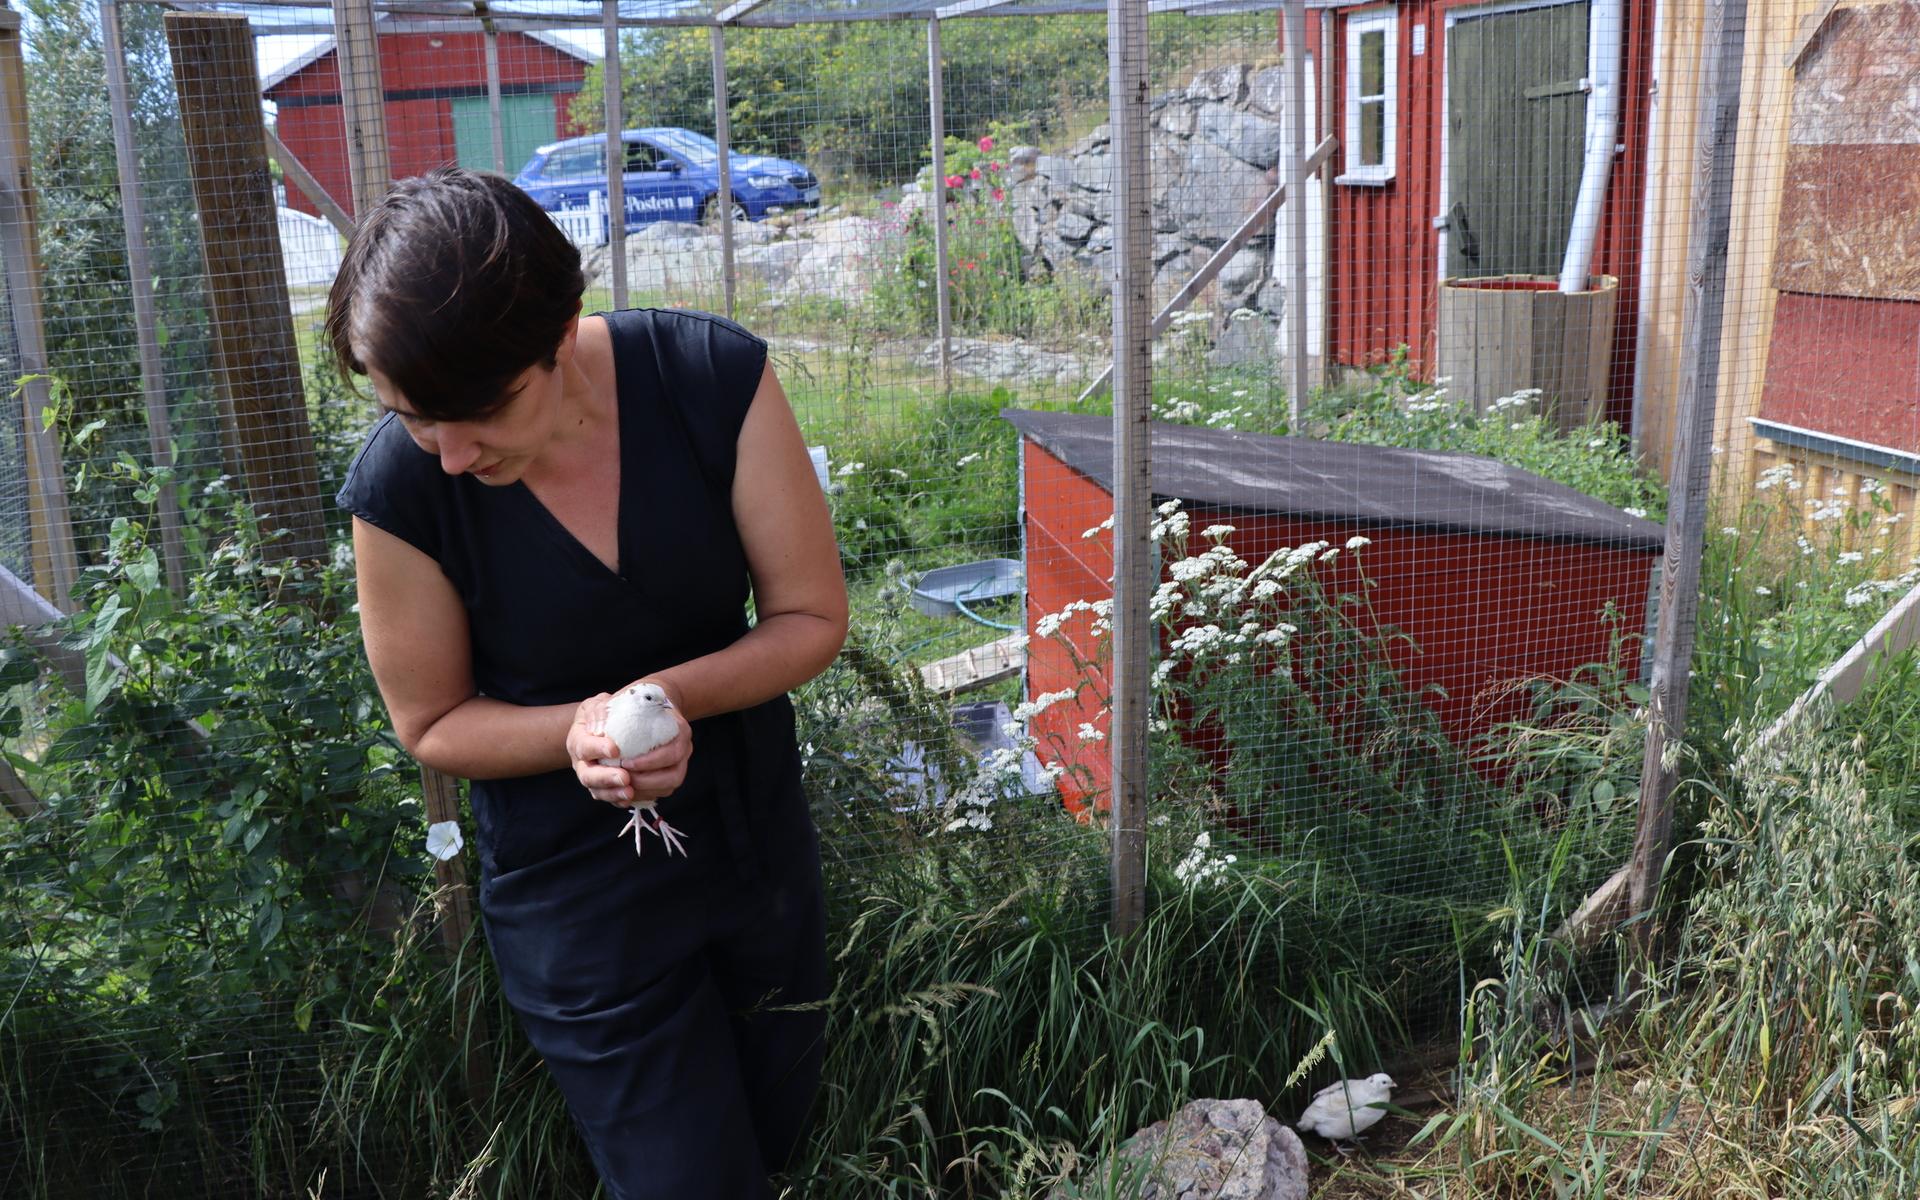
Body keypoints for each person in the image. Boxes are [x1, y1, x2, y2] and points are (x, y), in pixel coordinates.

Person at [329, 168, 847, 1198]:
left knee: (790, 1140)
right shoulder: (401, 489)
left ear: (562, 332)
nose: (449, 454)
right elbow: (430, 721)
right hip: (576, 903)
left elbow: (812, 619)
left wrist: (667, 700)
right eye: (411, 415)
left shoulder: (711, 379)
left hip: (754, 847)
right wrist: (584, 733)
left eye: (480, 409)